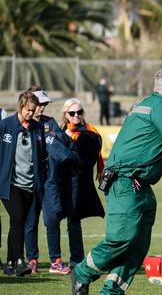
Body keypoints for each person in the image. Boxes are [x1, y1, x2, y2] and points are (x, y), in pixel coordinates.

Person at [72, 67, 162, 295]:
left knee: (138, 245)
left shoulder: (152, 105)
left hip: (141, 186)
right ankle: (82, 273)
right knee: (122, 239)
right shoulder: (158, 107)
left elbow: (155, 154)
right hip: (124, 182)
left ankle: (111, 291)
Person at [23, 88, 81, 275]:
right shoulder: (23, 124)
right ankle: (32, 260)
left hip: (49, 181)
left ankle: (55, 261)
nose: (41, 108)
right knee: (30, 221)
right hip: (30, 180)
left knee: (52, 219)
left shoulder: (50, 123)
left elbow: (64, 144)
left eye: (44, 104)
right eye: (39, 104)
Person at [0, 91, 48, 277]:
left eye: (33, 110)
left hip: (31, 184)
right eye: (28, 110)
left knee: (17, 222)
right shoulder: (5, 125)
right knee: (18, 218)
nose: (31, 113)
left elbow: (42, 155)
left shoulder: (37, 128)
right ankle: (20, 260)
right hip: (10, 183)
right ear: (21, 107)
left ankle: (10, 262)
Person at [60, 99, 106, 263]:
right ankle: (53, 260)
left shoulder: (90, 133)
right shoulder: (61, 132)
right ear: (65, 115)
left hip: (77, 183)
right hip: (58, 182)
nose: (76, 116)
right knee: (52, 220)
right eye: (72, 113)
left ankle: (76, 259)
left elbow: (87, 160)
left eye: (79, 112)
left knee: (73, 220)